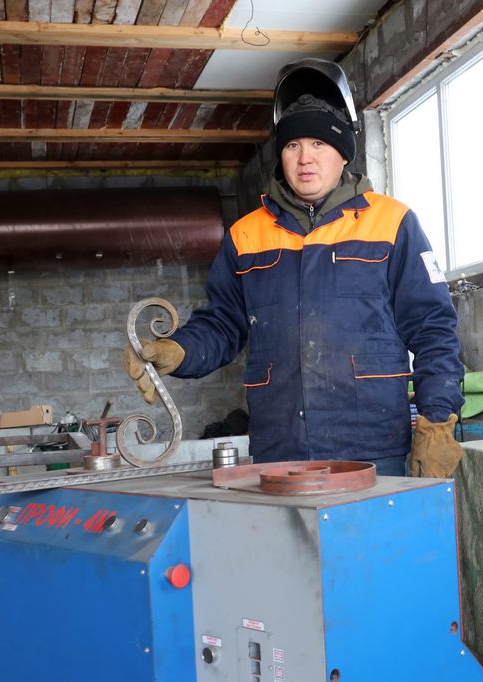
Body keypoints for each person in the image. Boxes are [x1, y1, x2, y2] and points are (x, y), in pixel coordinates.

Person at [125, 58, 464, 478]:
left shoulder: (393, 224)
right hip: (280, 451)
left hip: (373, 450)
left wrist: (437, 420)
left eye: (319, 143)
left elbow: (433, 328)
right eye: (292, 145)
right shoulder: (246, 236)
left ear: (343, 154)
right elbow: (224, 324)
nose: (305, 158)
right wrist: (179, 350)